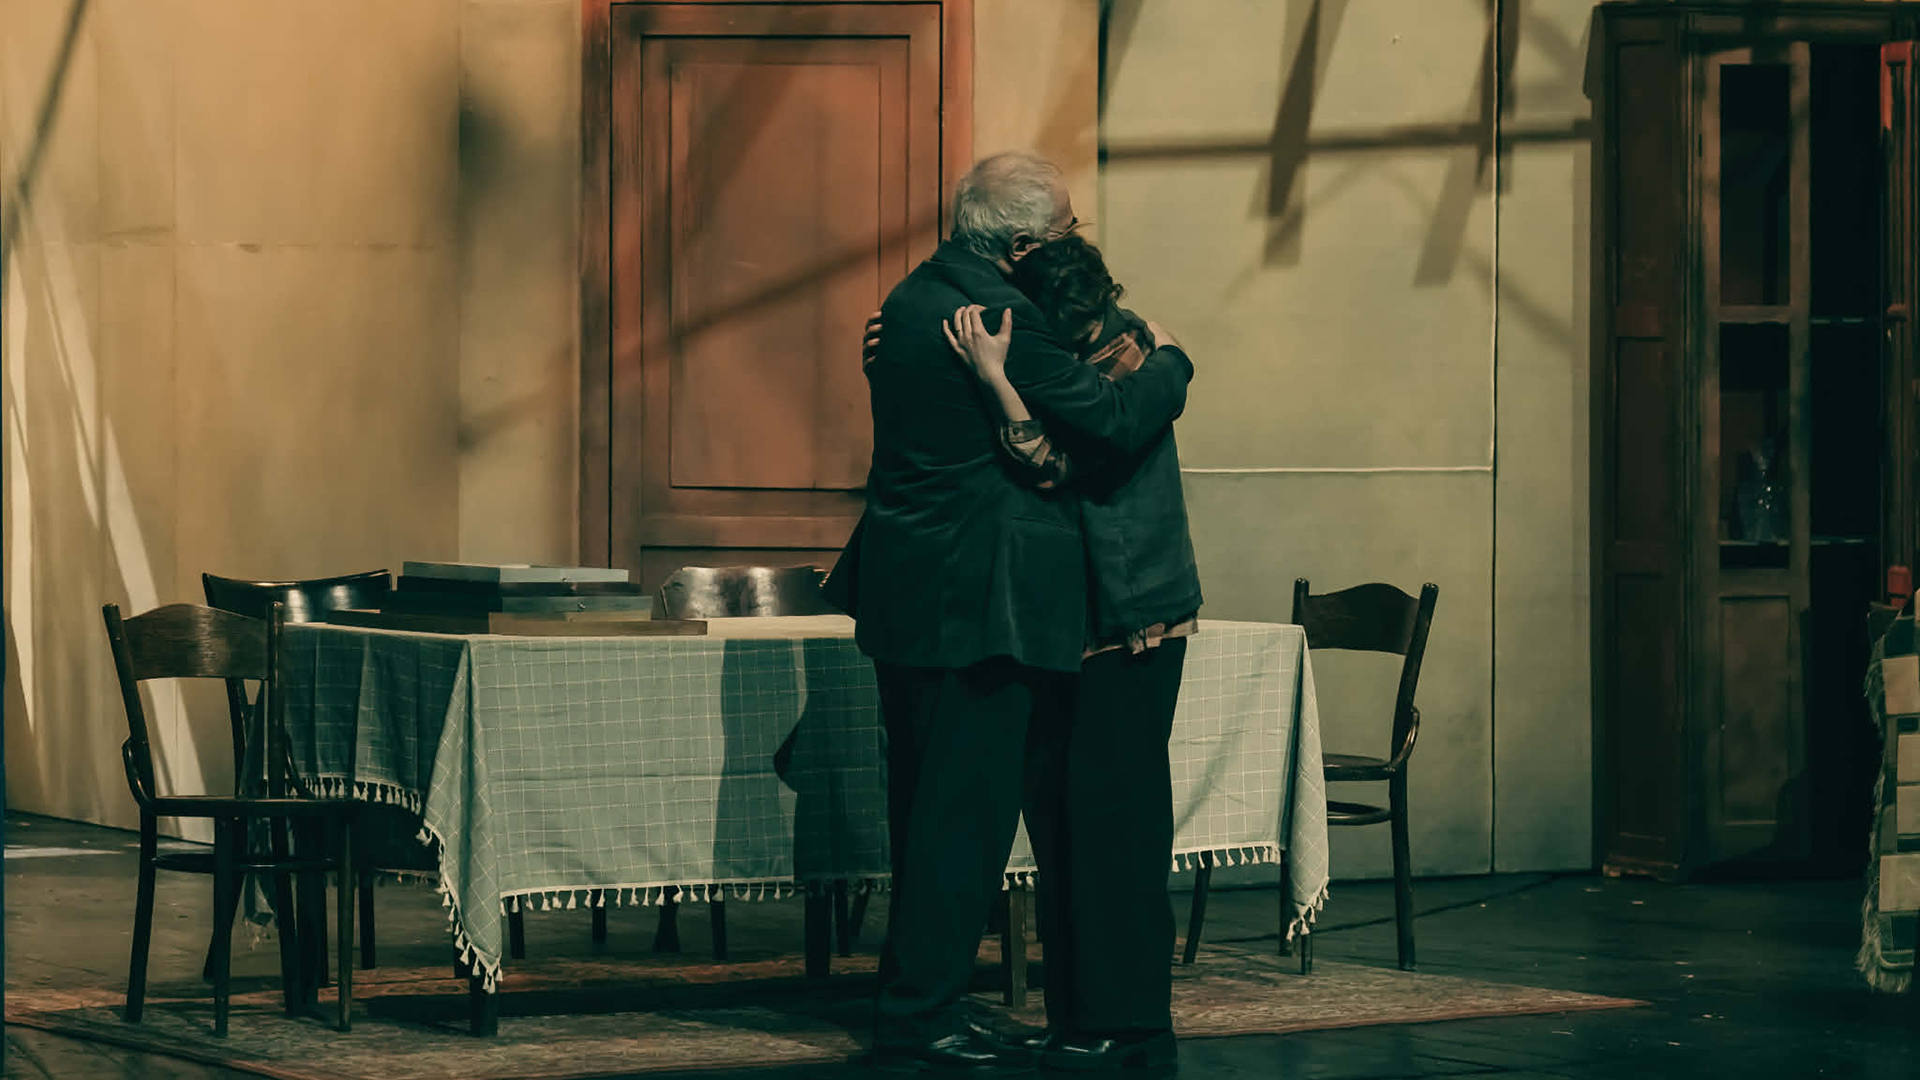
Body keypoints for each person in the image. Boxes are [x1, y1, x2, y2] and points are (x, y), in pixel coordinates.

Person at [822, 151, 1194, 1074]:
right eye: (1067, 229)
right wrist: (1176, 359)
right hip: (976, 607)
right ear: (1024, 244)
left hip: (919, 599)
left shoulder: (913, 298)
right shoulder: (999, 317)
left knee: (931, 816)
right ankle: (921, 1017)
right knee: (962, 824)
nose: (1075, 241)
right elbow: (1108, 422)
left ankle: (926, 1003)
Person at [941, 234, 1201, 1073]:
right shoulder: (1123, 353)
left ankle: (1126, 1019)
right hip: (1087, 632)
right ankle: (1082, 1013)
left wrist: (996, 379)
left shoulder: (1129, 368)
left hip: (1132, 629)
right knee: (1066, 826)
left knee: (1112, 831)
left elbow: (1056, 463)